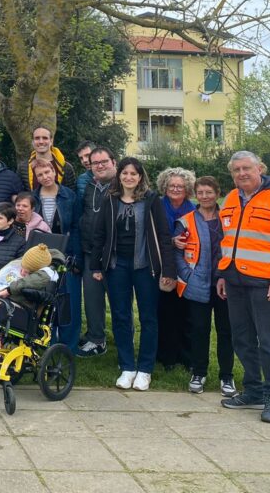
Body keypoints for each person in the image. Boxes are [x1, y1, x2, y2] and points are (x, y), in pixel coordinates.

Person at [217, 151, 270, 424]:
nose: (241, 173)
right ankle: (253, 390)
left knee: (268, 342)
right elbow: (226, 239)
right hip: (234, 281)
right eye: (236, 170)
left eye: (246, 168)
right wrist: (222, 274)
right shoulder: (231, 198)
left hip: (265, 283)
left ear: (260, 169)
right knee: (242, 339)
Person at [90, 157, 176, 392]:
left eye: (133, 174)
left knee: (148, 318)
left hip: (145, 266)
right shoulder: (110, 200)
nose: (129, 177)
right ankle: (127, 366)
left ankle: (145, 369)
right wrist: (96, 266)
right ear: (119, 175)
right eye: (125, 173)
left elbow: (163, 235)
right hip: (117, 266)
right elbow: (99, 234)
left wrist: (168, 269)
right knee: (120, 316)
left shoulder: (151, 200)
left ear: (140, 177)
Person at [173, 176, 236, 397]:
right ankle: (198, 372)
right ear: (195, 195)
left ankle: (226, 376)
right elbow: (177, 252)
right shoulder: (185, 221)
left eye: (209, 192)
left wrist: (229, 276)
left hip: (224, 284)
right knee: (199, 330)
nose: (205, 196)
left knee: (226, 331)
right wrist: (187, 276)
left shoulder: (229, 218)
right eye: (200, 193)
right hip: (198, 284)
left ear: (218, 193)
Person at [30, 157, 81, 351]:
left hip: (66, 253)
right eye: (40, 174)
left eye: (47, 172)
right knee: (43, 299)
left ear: (54, 172)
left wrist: (76, 257)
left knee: (68, 300)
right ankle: (44, 342)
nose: (45, 177)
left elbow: (76, 227)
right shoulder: (33, 198)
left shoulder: (69, 196)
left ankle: (68, 347)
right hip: (40, 255)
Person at [76, 145, 117, 357]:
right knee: (92, 299)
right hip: (90, 253)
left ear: (113, 162)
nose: (99, 166)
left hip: (116, 255)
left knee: (119, 300)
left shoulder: (123, 185)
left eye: (104, 162)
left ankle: (124, 339)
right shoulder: (89, 186)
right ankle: (96, 339)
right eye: (95, 163)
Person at [155, 167, 196, 372]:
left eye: (180, 186)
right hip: (163, 265)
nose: (176, 189)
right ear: (165, 186)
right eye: (172, 185)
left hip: (188, 266)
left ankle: (186, 356)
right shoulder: (157, 206)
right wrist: (172, 241)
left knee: (186, 313)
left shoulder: (194, 209)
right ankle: (166, 356)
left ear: (187, 188)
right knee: (165, 311)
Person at [20, 126, 77, 191]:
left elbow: (72, 194)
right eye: (37, 138)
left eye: (45, 138)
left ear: (51, 141)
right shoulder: (23, 168)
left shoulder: (66, 167)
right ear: (32, 142)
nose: (41, 142)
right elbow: (21, 194)